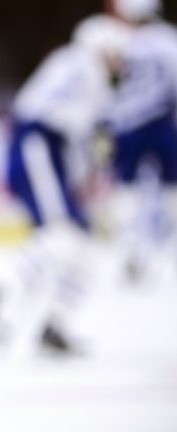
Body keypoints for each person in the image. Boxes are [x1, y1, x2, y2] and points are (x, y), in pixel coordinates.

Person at [0, 15, 130, 354]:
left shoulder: (72, 63)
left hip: (44, 150)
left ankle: (53, 324)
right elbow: (78, 131)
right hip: (41, 147)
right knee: (63, 235)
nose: (119, 64)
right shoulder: (87, 69)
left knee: (80, 242)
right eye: (116, 54)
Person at [107, 0, 177, 284]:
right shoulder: (168, 40)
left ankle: (131, 257)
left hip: (127, 126)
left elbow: (109, 84)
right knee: (172, 191)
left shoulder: (120, 39)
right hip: (162, 123)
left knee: (127, 192)